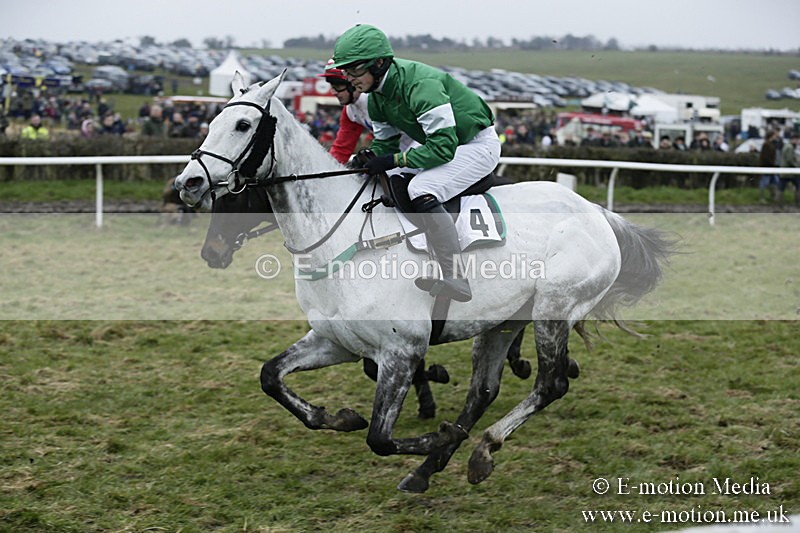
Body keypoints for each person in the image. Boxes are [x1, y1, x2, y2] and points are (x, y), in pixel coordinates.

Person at [332, 24, 501, 302]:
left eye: (354, 70)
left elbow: (443, 148)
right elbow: (385, 145)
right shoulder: (376, 98)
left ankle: (455, 275)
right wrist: (369, 158)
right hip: (444, 144)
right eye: (345, 71)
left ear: (379, 63)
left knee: (421, 189)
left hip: (475, 145)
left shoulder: (420, 84)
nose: (349, 79)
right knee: (385, 178)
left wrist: (392, 159)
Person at [776, 133, 799, 206]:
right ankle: (798, 203)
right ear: (794, 139)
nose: (798, 142)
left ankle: (779, 204)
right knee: (798, 186)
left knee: (781, 188)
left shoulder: (787, 146)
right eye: (797, 140)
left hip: (785, 171)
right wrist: (797, 166)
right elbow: (790, 160)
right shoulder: (790, 147)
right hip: (789, 171)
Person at [758, 131, 780, 203]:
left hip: (771, 167)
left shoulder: (770, 144)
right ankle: (762, 198)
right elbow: (765, 157)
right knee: (764, 183)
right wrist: (772, 164)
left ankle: (774, 197)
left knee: (774, 182)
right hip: (767, 167)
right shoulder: (766, 144)